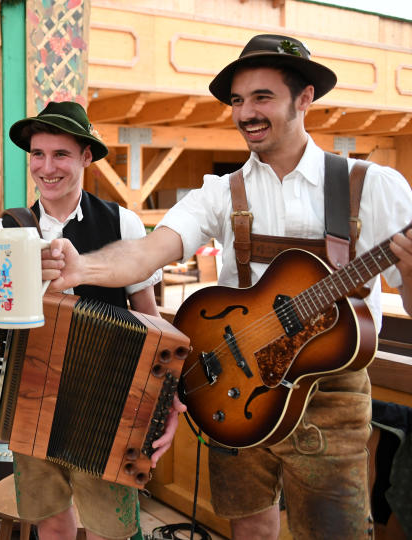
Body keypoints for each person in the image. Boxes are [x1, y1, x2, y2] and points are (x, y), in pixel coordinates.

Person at [42, 34, 412, 540]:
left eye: (262, 97)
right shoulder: (220, 191)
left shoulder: (369, 185)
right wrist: (82, 269)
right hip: (234, 385)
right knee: (250, 531)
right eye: (238, 100)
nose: (245, 113)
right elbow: (150, 251)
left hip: (328, 400)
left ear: (304, 98)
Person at [0, 101, 179, 540]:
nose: (46, 167)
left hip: (107, 396)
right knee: (50, 519)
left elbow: (149, 318)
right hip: (32, 392)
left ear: (86, 157)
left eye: (61, 155)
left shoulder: (122, 222)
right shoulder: (7, 228)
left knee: (109, 526)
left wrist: (164, 395)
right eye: (38, 154)